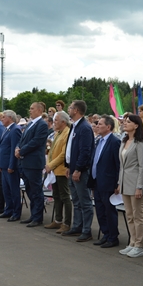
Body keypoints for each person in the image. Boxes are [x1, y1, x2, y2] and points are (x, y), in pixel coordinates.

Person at [62, 100, 95, 242]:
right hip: (73, 168)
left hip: (80, 171)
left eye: (70, 107)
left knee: (84, 201)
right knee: (76, 200)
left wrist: (79, 169)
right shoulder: (75, 126)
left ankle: (86, 230)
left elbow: (85, 151)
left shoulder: (84, 128)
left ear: (76, 110)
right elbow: (71, 149)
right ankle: (77, 226)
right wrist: (69, 166)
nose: (68, 109)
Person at [116, 114, 143, 258]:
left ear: (136, 125)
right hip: (125, 182)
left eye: (128, 122)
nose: (125, 123)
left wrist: (139, 186)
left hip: (136, 183)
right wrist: (119, 183)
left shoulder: (140, 143)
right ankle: (132, 242)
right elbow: (122, 165)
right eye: (125, 121)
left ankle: (139, 245)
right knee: (129, 215)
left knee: (138, 215)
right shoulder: (124, 141)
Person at [88, 115, 121, 248]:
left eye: (100, 124)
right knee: (100, 210)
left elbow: (118, 164)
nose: (97, 125)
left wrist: (117, 183)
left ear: (108, 127)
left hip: (108, 182)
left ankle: (113, 237)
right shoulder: (98, 141)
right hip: (97, 181)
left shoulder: (114, 142)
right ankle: (105, 234)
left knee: (109, 210)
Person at [15, 102, 49, 227]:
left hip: (34, 163)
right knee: (29, 189)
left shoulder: (42, 125)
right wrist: (17, 148)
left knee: (36, 190)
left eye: (32, 108)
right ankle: (33, 214)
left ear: (39, 110)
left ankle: (37, 217)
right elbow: (22, 139)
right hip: (25, 161)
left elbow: (36, 142)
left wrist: (21, 150)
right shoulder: (30, 123)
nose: (30, 111)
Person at [44, 111, 72, 233]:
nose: (53, 123)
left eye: (56, 120)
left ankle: (67, 223)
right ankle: (58, 220)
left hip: (61, 170)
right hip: (54, 170)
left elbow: (63, 154)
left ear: (63, 122)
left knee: (65, 196)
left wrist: (51, 164)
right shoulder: (58, 133)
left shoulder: (67, 133)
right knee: (56, 196)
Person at [0, 110, 22, 221]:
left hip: (10, 166)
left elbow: (13, 149)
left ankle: (16, 212)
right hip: (4, 165)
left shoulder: (15, 129)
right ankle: (8, 210)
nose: (2, 119)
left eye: (4, 117)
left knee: (13, 190)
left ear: (10, 118)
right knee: (6, 190)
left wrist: (12, 165)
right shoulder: (7, 129)